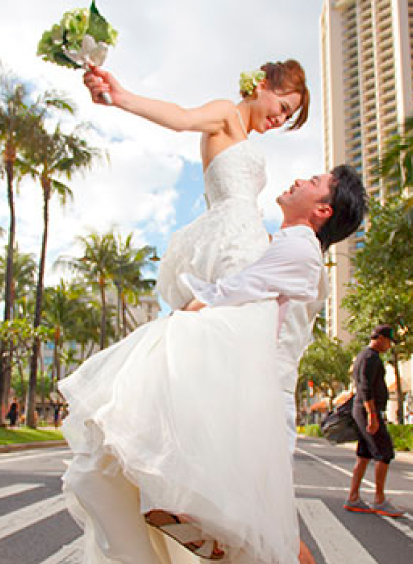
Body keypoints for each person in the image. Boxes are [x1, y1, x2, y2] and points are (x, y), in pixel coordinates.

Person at [60, 166, 366, 564]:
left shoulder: (300, 247)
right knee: (263, 531)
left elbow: (238, 290)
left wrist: (186, 313)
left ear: (323, 210)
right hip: (248, 389)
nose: (299, 181)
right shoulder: (285, 244)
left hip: (256, 396)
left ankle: (190, 510)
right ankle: (188, 509)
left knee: (265, 535)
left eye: (314, 182)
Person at [84, 60, 309, 315]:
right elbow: (182, 118)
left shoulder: (241, 135)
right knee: (217, 317)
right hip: (229, 240)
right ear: (262, 84)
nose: (280, 120)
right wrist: (121, 97)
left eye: (287, 117)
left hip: (247, 240)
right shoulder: (227, 113)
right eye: (283, 108)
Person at [344, 324, 403, 518]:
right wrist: (372, 415)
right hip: (367, 410)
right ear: (380, 338)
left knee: (364, 454)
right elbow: (365, 387)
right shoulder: (370, 358)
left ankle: (353, 498)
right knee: (384, 452)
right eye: (389, 341)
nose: (389, 346)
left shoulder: (364, 356)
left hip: (363, 409)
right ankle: (379, 500)